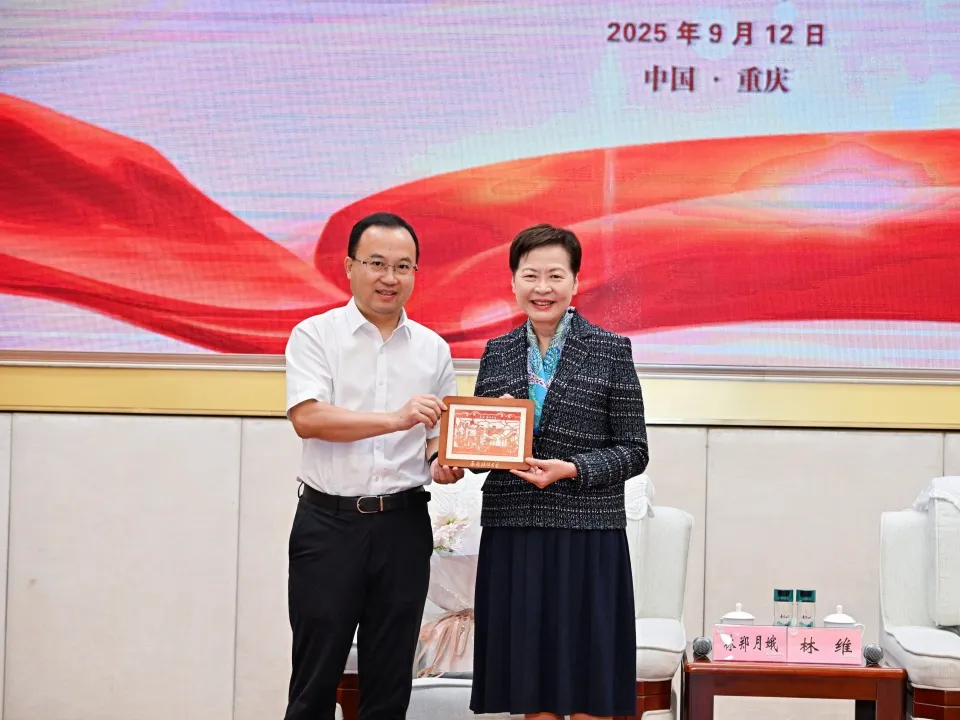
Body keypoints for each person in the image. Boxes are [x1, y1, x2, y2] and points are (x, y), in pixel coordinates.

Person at [283, 212, 464, 720]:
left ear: (415, 273)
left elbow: (435, 437)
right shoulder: (315, 335)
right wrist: (395, 419)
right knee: (315, 678)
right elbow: (308, 418)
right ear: (350, 266)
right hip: (328, 526)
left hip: (403, 527)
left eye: (403, 266)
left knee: (389, 682)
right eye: (377, 263)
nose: (390, 277)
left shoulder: (433, 349)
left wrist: (443, 461)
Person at [469, 224, 649, 720]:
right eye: (530, 275)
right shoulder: (497, 352)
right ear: (513, 281)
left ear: (575, 281)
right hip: (515, 532)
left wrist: (572, 469)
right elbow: (480, 448)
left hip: (587, 535)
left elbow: (635, 451)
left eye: (555, 275)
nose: (542, 288)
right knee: (531, 686)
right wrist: (465, 449)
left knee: (589, 684)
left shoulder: (611, 349)